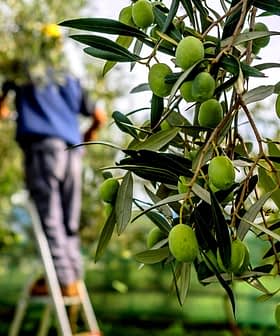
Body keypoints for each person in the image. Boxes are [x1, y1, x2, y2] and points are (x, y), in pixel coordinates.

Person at [0, 71, 105, 296]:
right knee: (70, 221)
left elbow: (1, 105)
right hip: (73, 153)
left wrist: (8, 111)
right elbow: (99, 116)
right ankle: (72, 277)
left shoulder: (24, 66)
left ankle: (63, 281)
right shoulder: (69, 76)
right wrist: (84, 139)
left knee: (51, 217)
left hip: (43, 148)